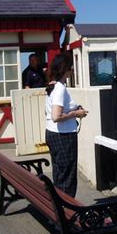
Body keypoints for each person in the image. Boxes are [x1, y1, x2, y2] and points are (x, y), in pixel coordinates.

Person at [45, 53, 88, 197]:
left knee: (59, 173)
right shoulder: (60, 89)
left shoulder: (53, 85)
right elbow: (56, 116)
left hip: (53, 134)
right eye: (71, 67)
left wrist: (75, 109)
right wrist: (76, 114)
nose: (72, 70)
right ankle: (66, 211)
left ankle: (58, 208)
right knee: (67, 176)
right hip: (63, 137)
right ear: (66, 69)